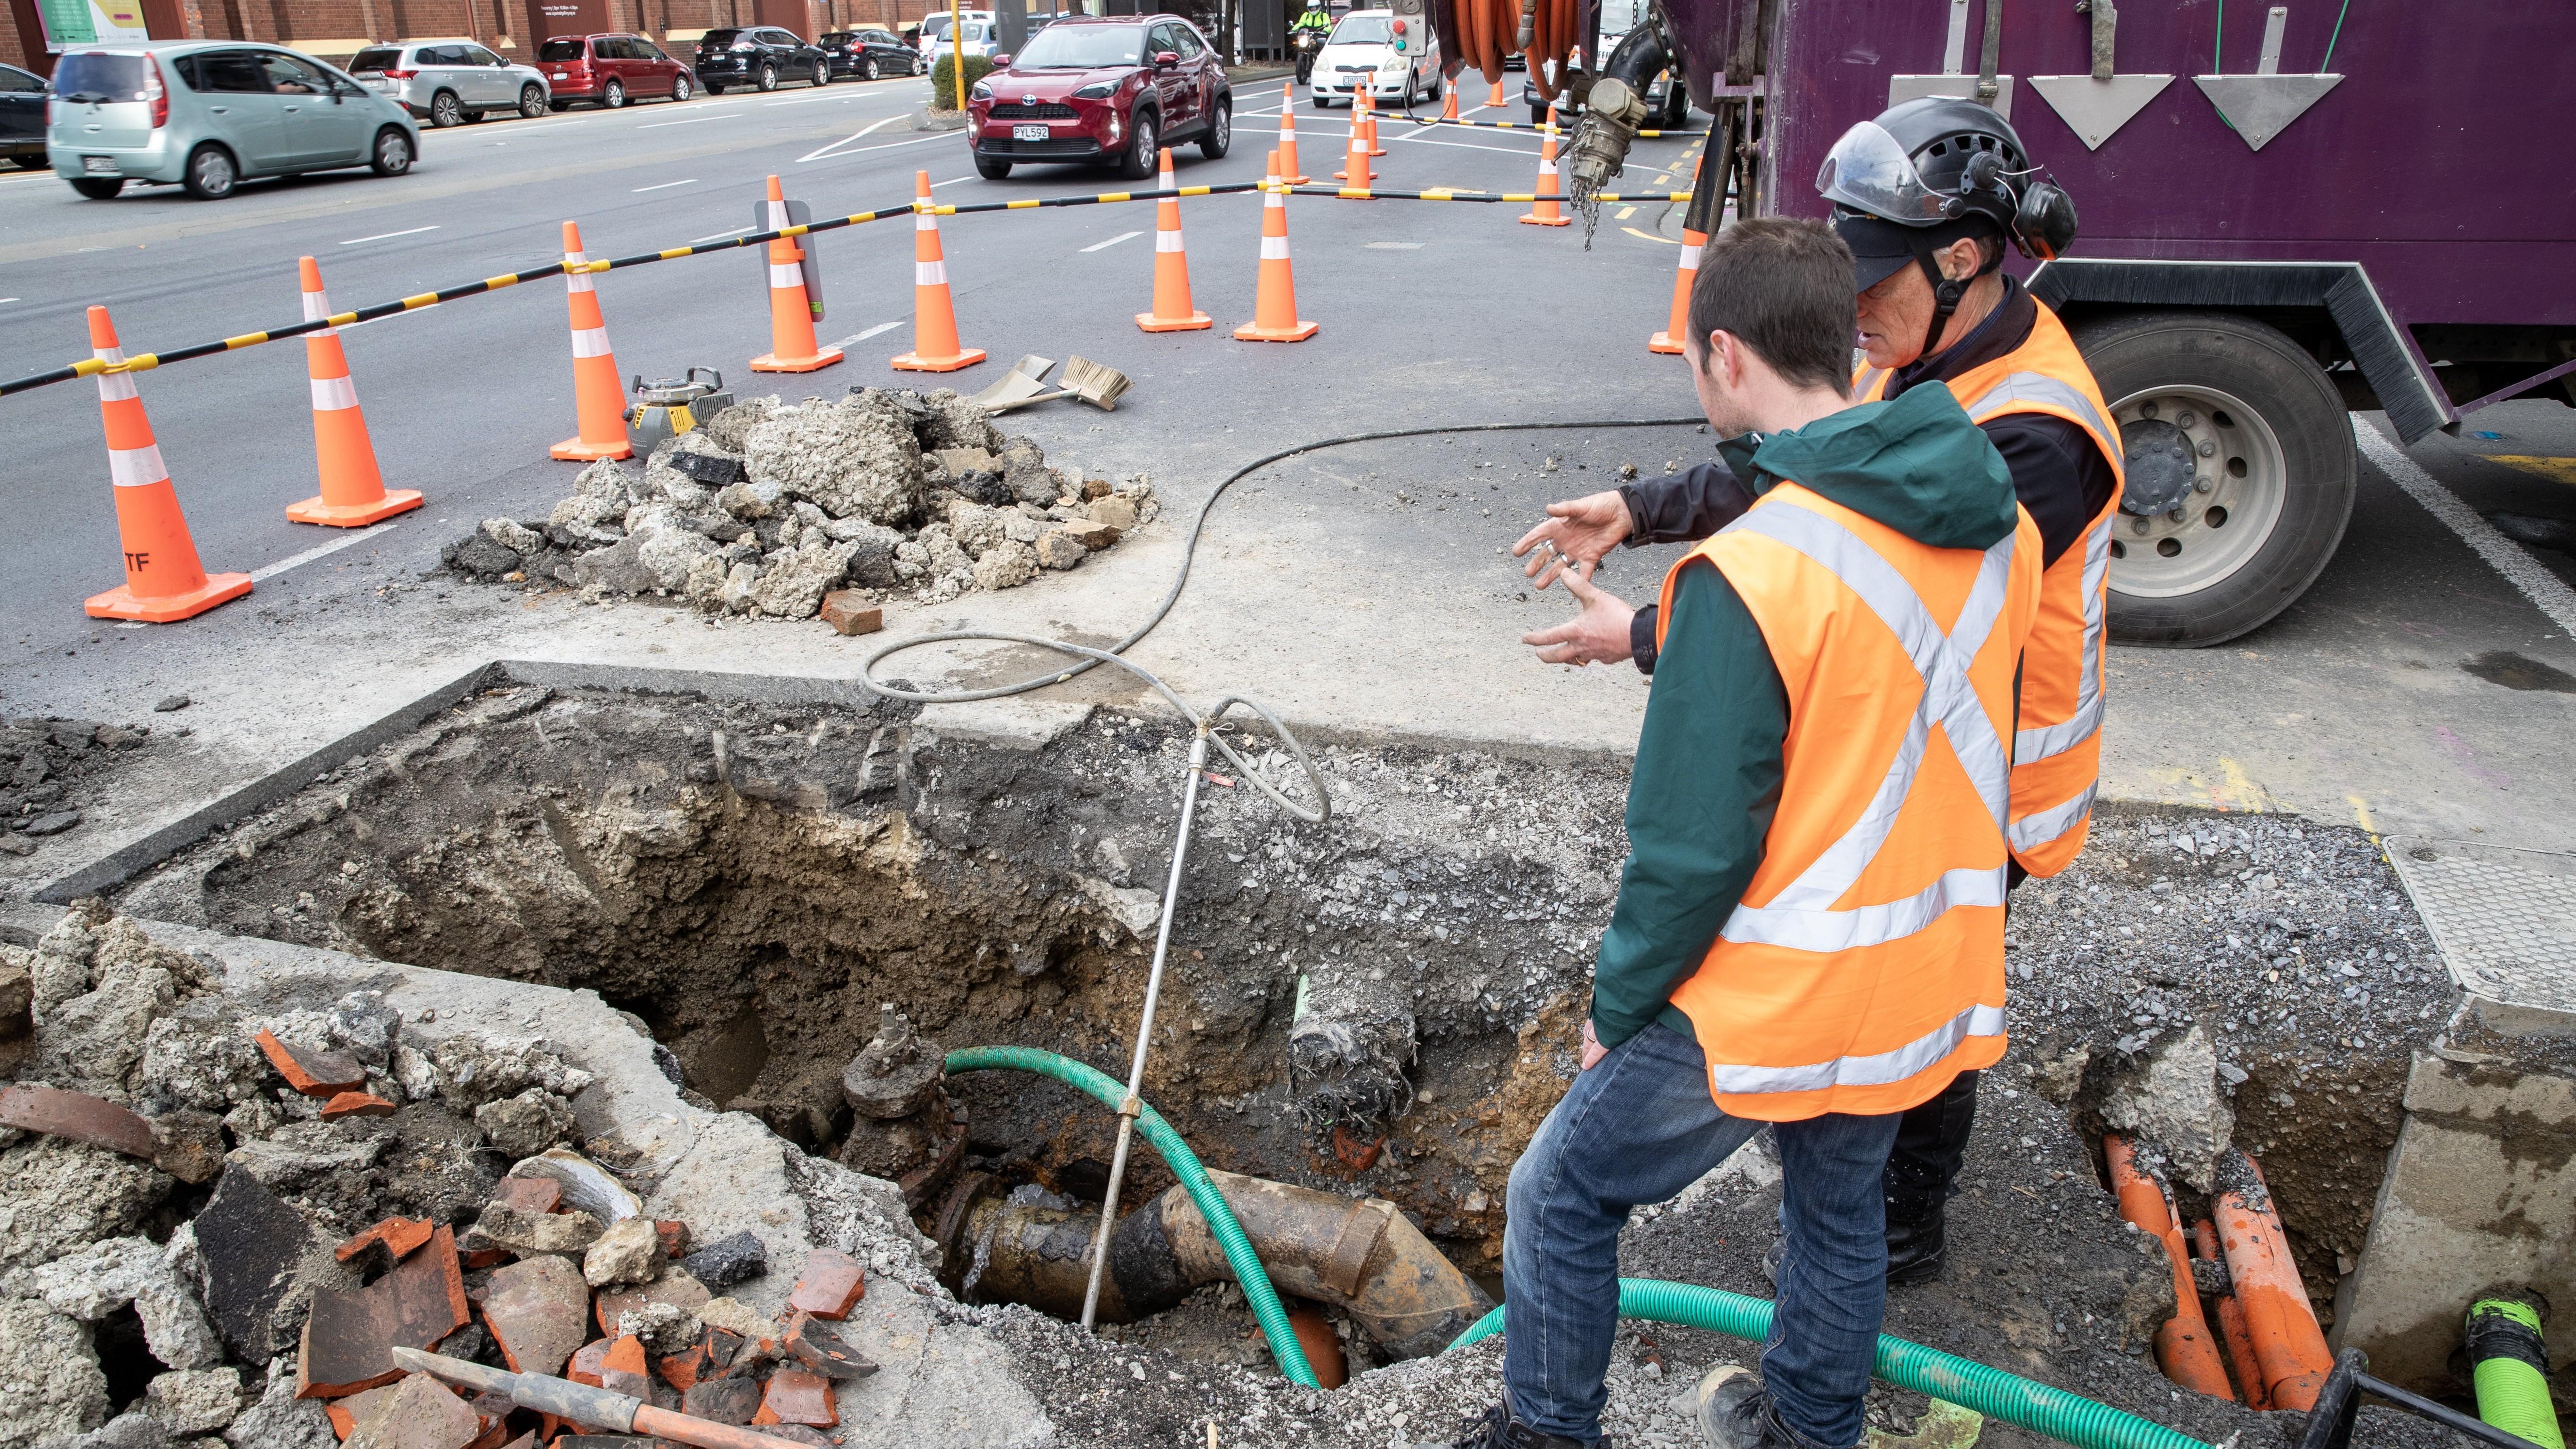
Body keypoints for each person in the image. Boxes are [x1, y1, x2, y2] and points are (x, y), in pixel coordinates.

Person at [1423, 216, 2039, 1449]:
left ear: (1722, 353)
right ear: (1846, 343)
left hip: (1783, 976)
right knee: (1838, 1208)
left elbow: (1692, 848)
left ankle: (1548, 1431)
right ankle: (1813, 1429)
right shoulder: (1990, 519)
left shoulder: (1747, 575)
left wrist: (1618, 1006)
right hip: (1921, 960)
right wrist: (1651, 509)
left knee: (1561, 1184)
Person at [1513, 95, 2122, 1287]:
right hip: (1926, 744)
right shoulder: (1933, 364)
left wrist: (1657, 636)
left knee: (1924, 1009)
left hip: (1979, 775)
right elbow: (1829, 471)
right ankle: (1856, 1201)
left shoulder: (2037, 432)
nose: (1849, 317)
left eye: (1874, 282)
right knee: (1889, 1028)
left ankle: (1907, 1230)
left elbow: (1856, 593)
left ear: (1960, 261)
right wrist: (1644, 511)